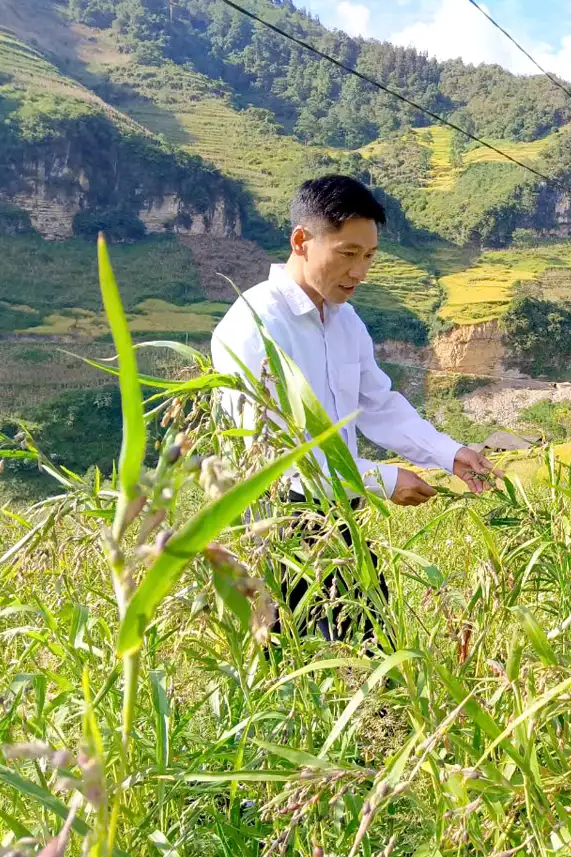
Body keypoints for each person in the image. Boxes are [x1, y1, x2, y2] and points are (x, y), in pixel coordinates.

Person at [211, 174, 497, 639]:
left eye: (368, 256)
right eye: (347, 254)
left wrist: (450, 454)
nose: (360, 272)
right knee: (296, 665)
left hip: (339, 520)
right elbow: (276, 456)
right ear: (301, 241)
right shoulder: (253, 326)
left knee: (372, 654)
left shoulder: (345, 322)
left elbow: (379, 403)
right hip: (277, 526)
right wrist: (383, 479)